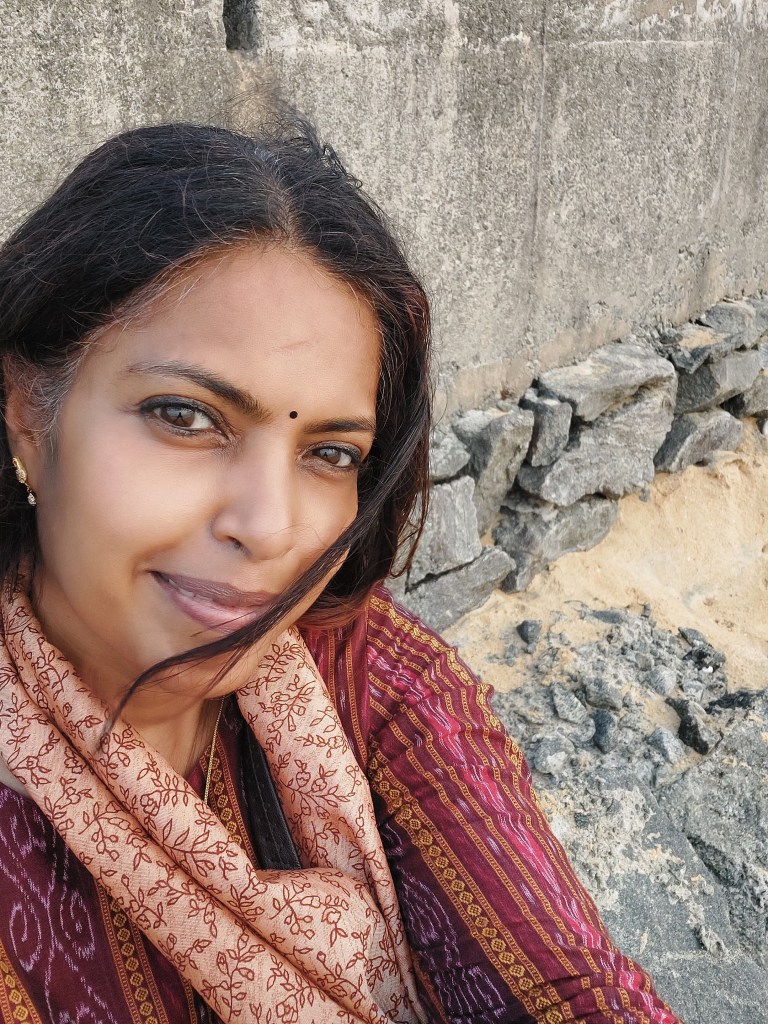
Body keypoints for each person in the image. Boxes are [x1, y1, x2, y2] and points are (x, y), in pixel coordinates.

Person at [0, 114, 681, 1024]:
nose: (271, 528)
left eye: (329, 454)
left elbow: (568, 991)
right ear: (28, 414)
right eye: (184, 416)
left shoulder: (361, 673)